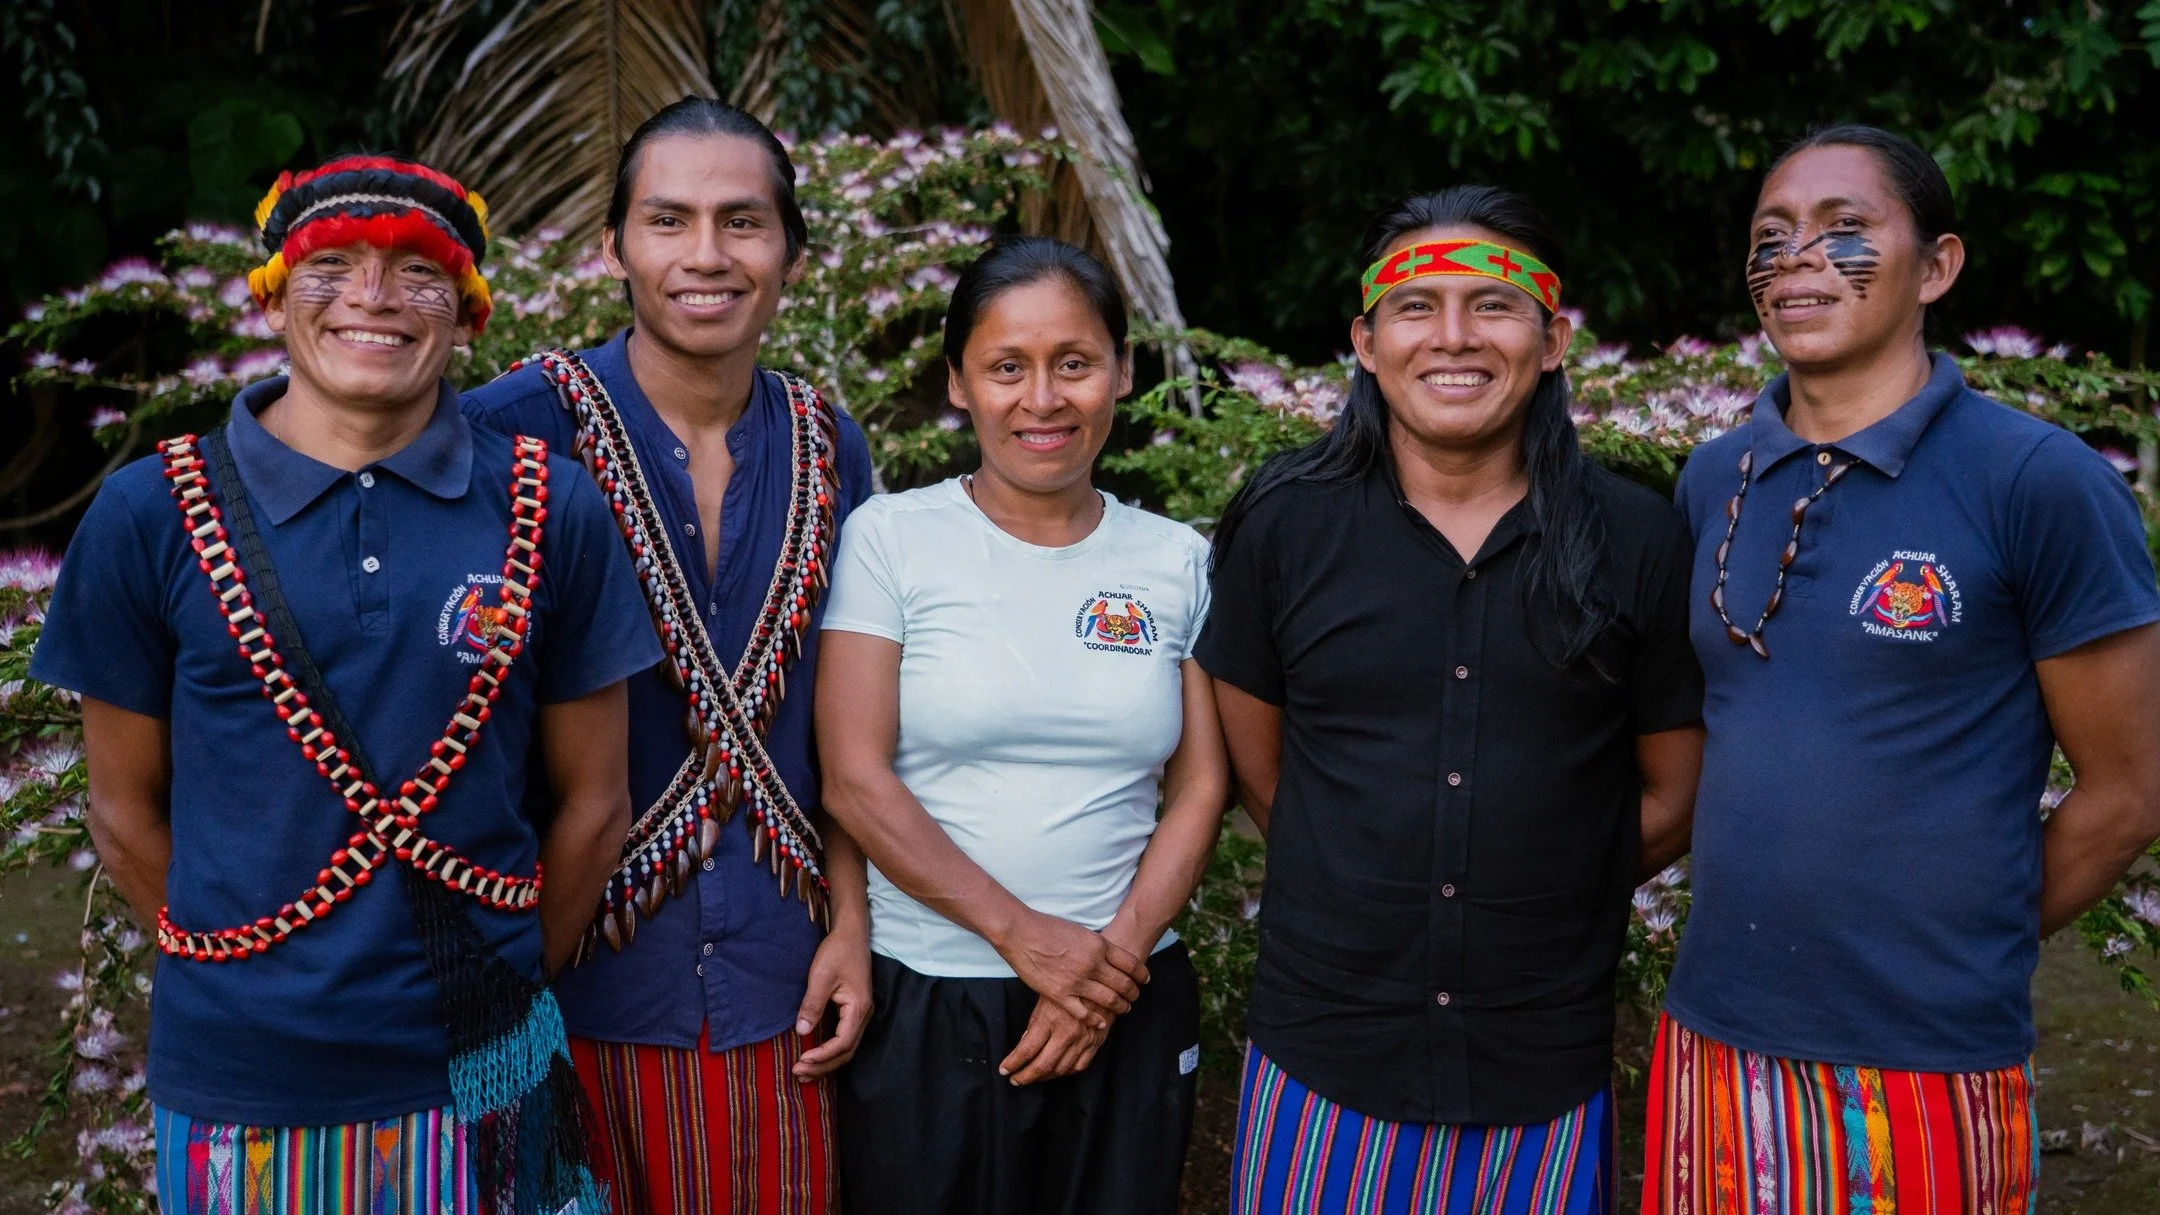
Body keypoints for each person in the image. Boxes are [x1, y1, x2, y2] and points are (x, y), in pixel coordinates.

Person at [30, 155, 657, 1213]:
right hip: (242, 1080)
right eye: (333, 266)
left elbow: (596, 806)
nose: (373, 297)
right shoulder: (150, 514)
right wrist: (253, 977)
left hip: (492, 1064)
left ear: (466, 314)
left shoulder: (556, 510)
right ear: (273, 297)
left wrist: (497, 973)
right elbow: (122, 812)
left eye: (419, 272)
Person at [1644, 123, 2160, 1212]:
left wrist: (1960, 946)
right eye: (1771, 237)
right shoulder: (1711, 478)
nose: (1797, 262)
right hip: (1713, 1037)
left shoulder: (2038, 483)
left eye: (1845, 232)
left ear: (1937, 266)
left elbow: (2127, 793)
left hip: (1926, 1061)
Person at [1198, 186, 1705, 1213]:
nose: (1455, 336)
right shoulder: (1284, 524)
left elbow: (1673, 790)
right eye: (1417, 306)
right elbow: (1262, 771)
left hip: (1541, 1052)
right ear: (1367, 342)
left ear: (1553, 340)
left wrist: (1549, 875)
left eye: (1493, 304)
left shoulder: (1638, 538)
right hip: (1324, 1049)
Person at [462, 96, 876, 1214]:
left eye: (743, 222)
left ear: (791, 248)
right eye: (668, 221)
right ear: (614, 246)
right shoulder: (510, 431)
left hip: (785, 995)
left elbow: (853, 724)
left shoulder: (830, 443)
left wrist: (854, 926)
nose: (707, 255)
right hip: (566, 986)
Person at [815, 235, 1228, 1214]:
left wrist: (1109, 964)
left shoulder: (1176, 559)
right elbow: (853, 777)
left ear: (1123, 374)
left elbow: (1202, 785)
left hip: (1127, 991)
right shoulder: (891, 539)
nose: (1042, 399)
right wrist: (1026, 938)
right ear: (960, 383)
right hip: (931, 995)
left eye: (1074, 364)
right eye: (1007, 367)